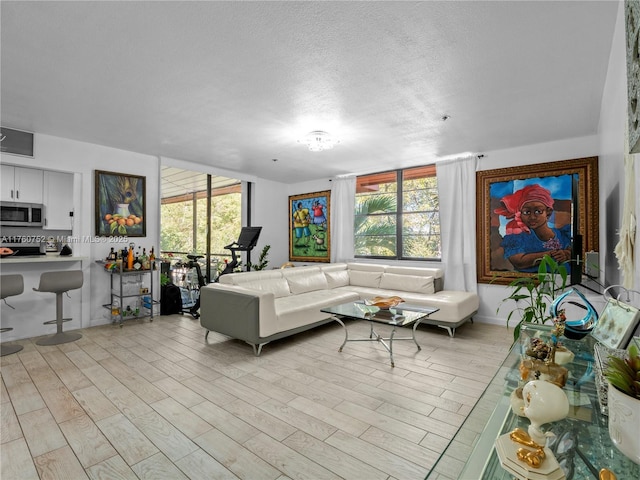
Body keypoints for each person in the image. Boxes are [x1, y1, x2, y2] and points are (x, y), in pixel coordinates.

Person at [494, 184, 572, 272]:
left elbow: (574, 254)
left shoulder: (563, 234)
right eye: (527, 212)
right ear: (520, 214)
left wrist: (566, 254)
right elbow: (519, 262)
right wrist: (550, 255)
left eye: (538, 211)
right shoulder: (516, 238)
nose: (532, 217)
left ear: (548, 213)